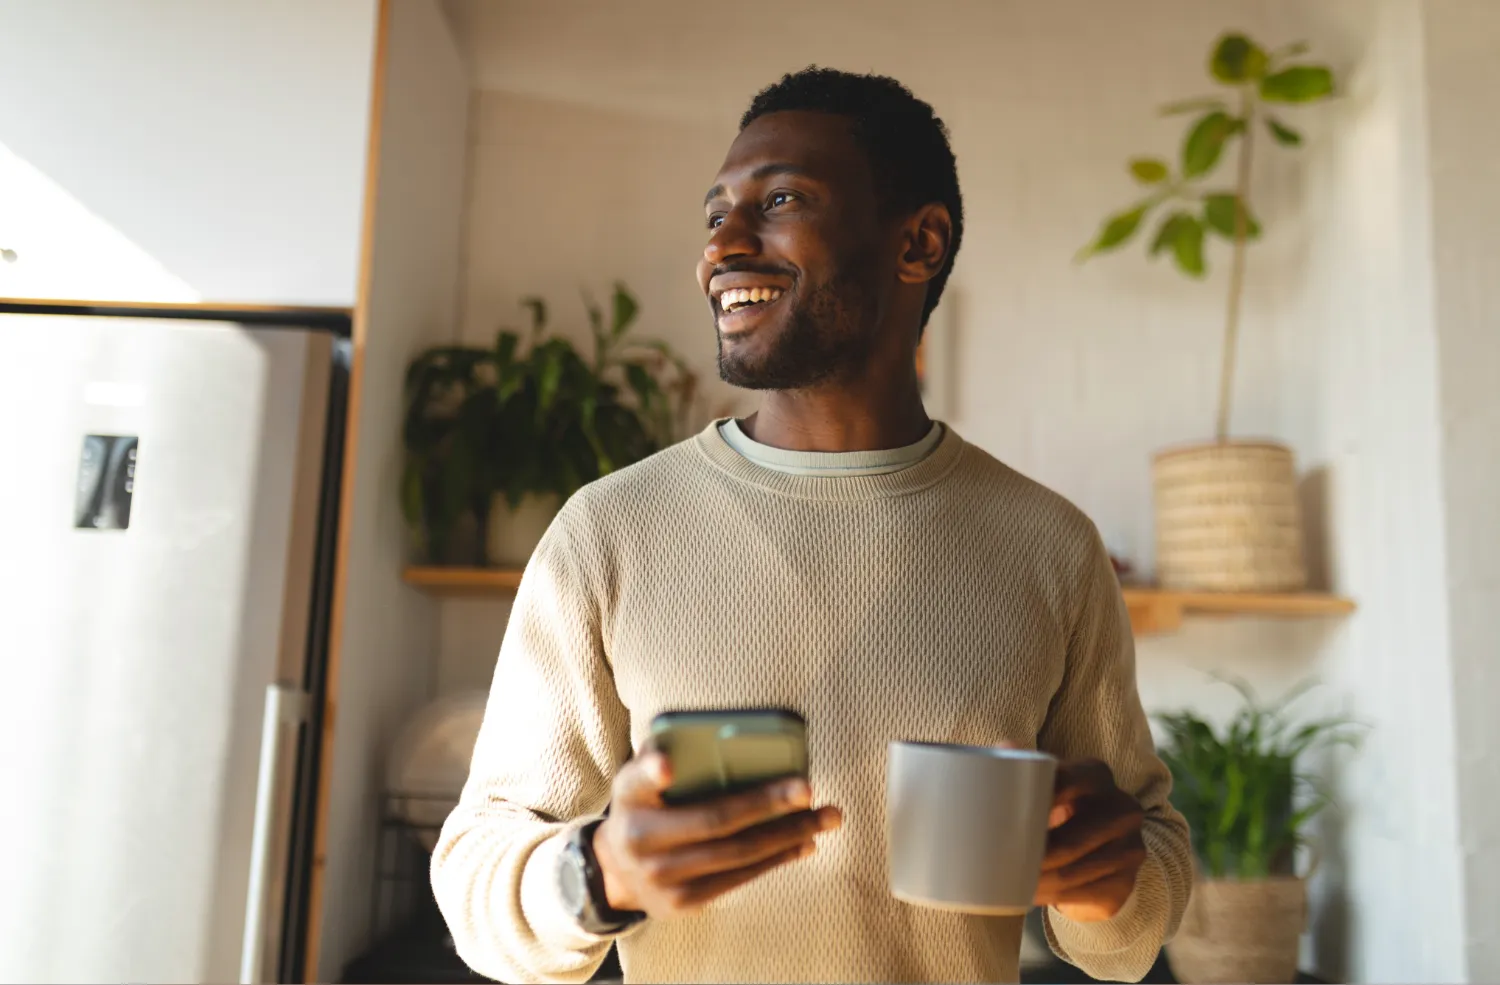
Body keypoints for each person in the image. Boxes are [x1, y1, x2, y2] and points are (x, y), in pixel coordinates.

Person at [432, 66, 1191, 985]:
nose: (725, 246)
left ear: (918, 242)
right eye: (716, 215)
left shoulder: (1051, 547)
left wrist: (1108, 885)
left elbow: (1138, 911)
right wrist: (598, 873)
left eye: (781, 199)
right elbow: (476, 868)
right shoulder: (608, 532)